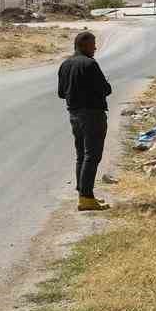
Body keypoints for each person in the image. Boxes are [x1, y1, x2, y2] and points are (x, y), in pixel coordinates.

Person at [57, 30, 112, 211]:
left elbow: (61, 93)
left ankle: (83, 195)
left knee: (82, 155)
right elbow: (105, 89)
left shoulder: (65, 65)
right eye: (92, 44)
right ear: (83, 45)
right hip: (93, 115)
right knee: (92, 155)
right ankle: (86, 197)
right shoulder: (90, 64)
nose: (95, 48)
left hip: (74, 115)